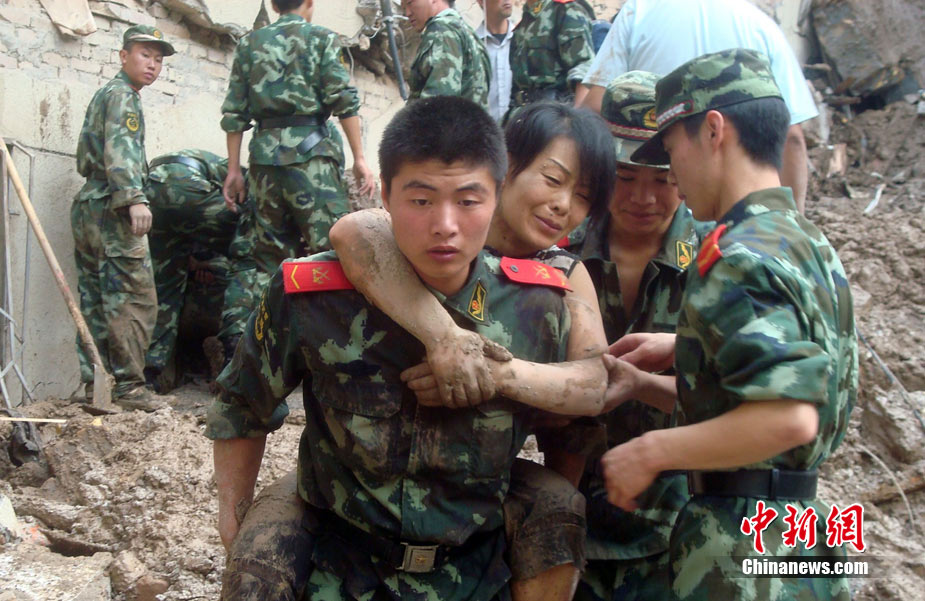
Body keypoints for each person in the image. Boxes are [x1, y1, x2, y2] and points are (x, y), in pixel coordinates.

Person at [208, 96, 617, 601]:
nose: (445, 224)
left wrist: (500, 380)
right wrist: (233, 516)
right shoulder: (314, 296)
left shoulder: (540, 306)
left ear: (497, 193)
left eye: (468, 201)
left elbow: (575, 425)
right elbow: (242, 404)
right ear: (384, 193)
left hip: (474, 567)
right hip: (339, 562)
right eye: (420, 200)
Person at [325, 101, 620, 601]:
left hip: (483, 479)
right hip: (368, 472)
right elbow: (356, 230)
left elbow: (597, 382)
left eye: (583, 195)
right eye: (552, 178)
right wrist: (444, 338)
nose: (563, 205)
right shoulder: (434, 230)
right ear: (506, 166)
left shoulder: (563, 274)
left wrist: (491, 375)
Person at [601, 49, 857, 600]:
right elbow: (773, 394)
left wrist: (650, 452)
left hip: (742, 542)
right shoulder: (801, 237)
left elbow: (788, 418)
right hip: (796, 524)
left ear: (713, 131)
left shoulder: (737, 257)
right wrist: (685, 353)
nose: (672, 177)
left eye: (671, 152)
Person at [562, 71, 710, 601]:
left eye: (662, 178)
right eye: (625, 176)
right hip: (569, 497)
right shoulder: (559, 248)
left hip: (682, 510)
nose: (643, 197)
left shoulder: (719, 261)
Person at [575, 0, 819, 212]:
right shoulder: (763, 27)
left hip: (646, 201)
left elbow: (594, 107)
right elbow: (793, 138)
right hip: (734, 211)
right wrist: (791, 220)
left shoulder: (639, 11)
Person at [220, 0, 374, 284]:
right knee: (333, 254)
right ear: (309, 3)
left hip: (264, 164)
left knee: (269, 263)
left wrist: (233, 170)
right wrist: (359, 158)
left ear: (274, 6)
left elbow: (234, 114)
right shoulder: (323, 39)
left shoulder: (249, 44)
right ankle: (328, 327)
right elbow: (344, 103)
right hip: (313, 160)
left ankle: (273, 326)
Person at [71, 24, 175, 411]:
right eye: (145, 55)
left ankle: (96, 384)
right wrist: (134, 198)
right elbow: (120, 149)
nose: (153, 65)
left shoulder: (108, 94)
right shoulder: (123, 98)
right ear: (123, 56)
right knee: (133, 299)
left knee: (97, 299)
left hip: (90, 204)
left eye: (158, 59)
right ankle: (129, 388)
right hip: (113, 207)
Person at [143, 149, 239, 390]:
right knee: (250, 256)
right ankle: (235, 361)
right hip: (185, 183)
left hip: (151, 188)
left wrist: (199, 265)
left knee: (164, 291)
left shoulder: (209, 181)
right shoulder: (239, 180)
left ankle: (151, 376)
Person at [508, 0, 594, 111]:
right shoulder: (523, 24)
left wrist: (576, 121)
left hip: (554, 114)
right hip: (525, 113)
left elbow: (583, 68)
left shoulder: (565, 11)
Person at [403, 0, 491, 106]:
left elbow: (438, 104)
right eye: (404, 7)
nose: (408, 13)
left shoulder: (442, 32)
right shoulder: (467, 32)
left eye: (410, 2)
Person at [475, 0, 515, 122]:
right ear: (481, 2)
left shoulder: (524, 40)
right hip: (485, 134)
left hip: (521, 132)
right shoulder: (473, 46)